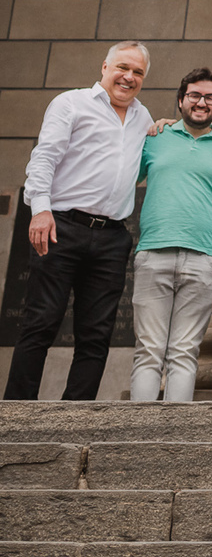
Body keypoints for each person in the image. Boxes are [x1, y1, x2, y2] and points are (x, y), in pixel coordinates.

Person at [5, 41, 154, 403]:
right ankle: (17, 411)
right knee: (40, 323)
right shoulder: (71, 103)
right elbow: (44, 158)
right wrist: (41, 210)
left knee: (96, 335)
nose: (129, 77)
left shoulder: (143, 118)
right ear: (105, 67)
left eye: (137, 72)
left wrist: (163, 126)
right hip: (62, 227)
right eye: (123, 67)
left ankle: (77, 415)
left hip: (112, 237)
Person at [130, 67, 212, 405]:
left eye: (210, 97)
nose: (201, 102)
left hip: (203, 258)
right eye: (194, 95)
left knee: (184, 351)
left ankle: (175, 430)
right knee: (148, 350)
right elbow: (123, 179)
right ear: (180, 100)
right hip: (153, 253)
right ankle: (138, 428)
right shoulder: (154, 137)